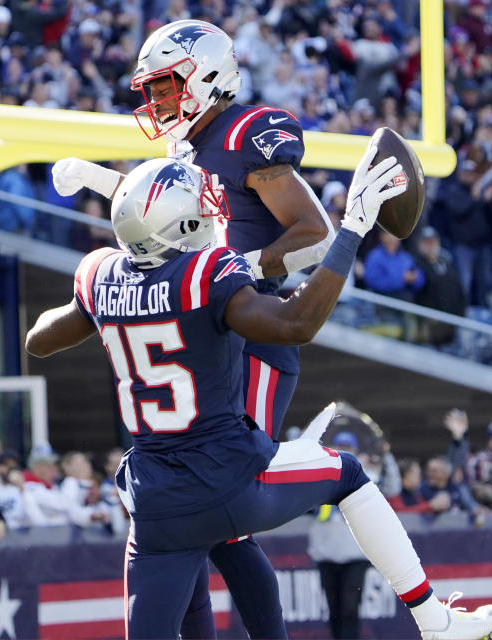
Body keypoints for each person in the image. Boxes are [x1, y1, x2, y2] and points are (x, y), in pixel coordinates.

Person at [26, 148, 492, 639]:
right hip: (227, 478)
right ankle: (434, 621)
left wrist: (105, 295)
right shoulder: (206, 273)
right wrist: (352, 230)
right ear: (183, 226)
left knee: (203, 578)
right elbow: (295, 324)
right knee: (350, 475)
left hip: (156, 505)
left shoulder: (101, 274)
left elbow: (38, 340)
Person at [50, 19, 335, 639]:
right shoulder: (191, 151)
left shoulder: (242, 133)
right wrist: (99, 179)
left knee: (227, 520)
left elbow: (315, 237)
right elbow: (175, 221)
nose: (155, 103)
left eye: (164, 87)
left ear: (206, 77)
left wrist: (242, 270)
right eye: (150, 91)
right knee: (205, 524)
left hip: (256, 337)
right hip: (214, 341)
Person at [307, 431, 371, 640]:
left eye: (348, 447)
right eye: (340, 446)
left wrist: (385, 456)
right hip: (326, 555)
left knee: (350, 608)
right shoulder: (319, 478)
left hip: (355, 556)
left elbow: (391, 488)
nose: (344, 450)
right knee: (334, 609)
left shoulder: (366, 476)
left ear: (355, 452)